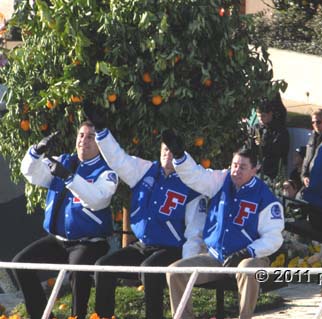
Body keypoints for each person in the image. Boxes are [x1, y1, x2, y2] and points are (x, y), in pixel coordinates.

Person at [84, 107, 207, 319]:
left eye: (172, 151)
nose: (167, 155)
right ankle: (103, 316)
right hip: (143, 245)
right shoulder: (146, 170)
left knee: (148, 270)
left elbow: (194, 231)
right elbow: (119, 160)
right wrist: (102, 131)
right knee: (103, 266)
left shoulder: (192, 184)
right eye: (164, 150)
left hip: (171, 248)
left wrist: (187, 265)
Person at [162, 131, 284, 319]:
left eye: (243, 167)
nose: (236, 171)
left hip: (249, 257)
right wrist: (180, 157)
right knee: (175, 272)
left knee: (247, 269)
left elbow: (274, 237)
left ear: (255, 169)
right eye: (234, 165)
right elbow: (197, 177)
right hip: (216, 256)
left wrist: (247, 252)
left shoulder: (265, 197)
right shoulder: (221, 180)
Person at [13, 122, 117, 319]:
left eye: (90, 137)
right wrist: (36, 152)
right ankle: (42, 316)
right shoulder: (63, 161)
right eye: (81, 135)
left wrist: (69, 178)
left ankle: (77, 316)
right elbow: (31, 174)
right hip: (59, 240)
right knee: (21, 263)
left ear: (100, 144)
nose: (83, 141)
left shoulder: (107, 172)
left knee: (76, 270)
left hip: (89, 242)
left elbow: (98, 200)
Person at [249, 100, 289, 180]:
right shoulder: (256, 128)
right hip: (255, 168)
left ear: (270, 114)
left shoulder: (280, 130)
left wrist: (264, 144)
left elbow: (282, 151)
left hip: (272, 170)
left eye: (263, 116)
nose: (260, 119)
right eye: (258, 116)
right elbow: (249, 147)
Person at [301, 109, 322, 188]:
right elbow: (307, 159)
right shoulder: (312, 136)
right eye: (313, 122)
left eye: (318, 122)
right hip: (308, 182)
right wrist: (304, 177)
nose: (315, 124)